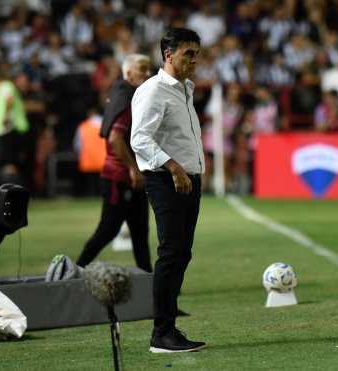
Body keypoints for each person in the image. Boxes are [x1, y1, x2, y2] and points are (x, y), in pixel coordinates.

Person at [131, 28, 206, 353]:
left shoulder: (185, 89)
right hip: (167, 180)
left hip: (187, 179)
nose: (194, 59)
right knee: (171, 252)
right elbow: (139, 139)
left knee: (181, 253)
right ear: (168, 55)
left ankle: (168, 327)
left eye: (197, 53)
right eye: (188, 53)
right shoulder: (154, 91)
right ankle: (161, 333)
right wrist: (175, 167)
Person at [75, 54, 152, 273]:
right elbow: (115, 139)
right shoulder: (127, 100)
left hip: (127, 176)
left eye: (149, 69)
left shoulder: (123, 95)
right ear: (128, 73)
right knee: (108, 230)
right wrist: (133, 169)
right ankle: (74, 270)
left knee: (139, 232)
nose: (148, 74)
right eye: (142, 69)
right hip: (120, 177)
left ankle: (151, 285)